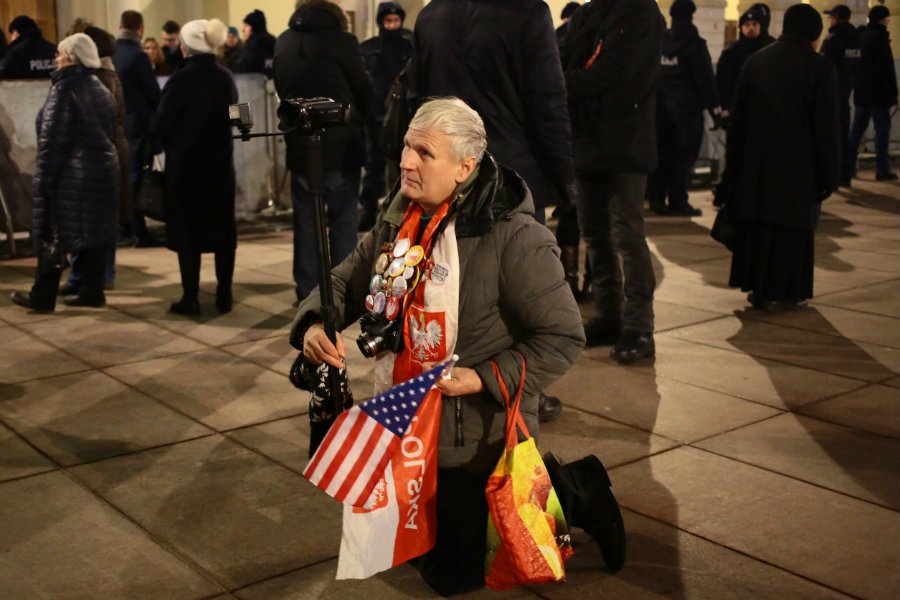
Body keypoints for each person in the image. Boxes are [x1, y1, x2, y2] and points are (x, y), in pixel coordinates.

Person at [291, 97, 622, 595]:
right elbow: (343, 281)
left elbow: (562, 336)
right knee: (433, 566)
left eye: (424, 153)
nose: (406, 161)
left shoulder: (515, 236)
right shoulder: (399, 220)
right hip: (406, 420)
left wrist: (483, 378)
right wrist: (317, 323)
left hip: (473, 438)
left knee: (460, 575)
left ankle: (581, 490)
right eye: (407, 146)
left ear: (465, 168)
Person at [415, 0, 581, 420]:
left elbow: (419, 100)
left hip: (446, 172)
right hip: (509, 176)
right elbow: (547, 102)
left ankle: (442, 384)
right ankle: (516, 391)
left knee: (448, 286)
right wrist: (566, 179)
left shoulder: (432, 14)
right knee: (522, 298)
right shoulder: (527, 12)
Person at [562, 0, 665, 363]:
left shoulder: (640, 11)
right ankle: (609, 315)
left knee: (627, 234)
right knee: (594, 233)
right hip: (588, 141)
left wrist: (565, 84)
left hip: (626, 141)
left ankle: (639, 327)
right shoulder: (590, 12)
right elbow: (564, 55)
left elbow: (619, 71)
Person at [726, 4, 840, 311]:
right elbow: (827, 130)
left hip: (756, 166)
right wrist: (830, 175)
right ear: (814, 33)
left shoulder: (756, 61)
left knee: (760, 232)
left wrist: (733, 172)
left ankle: (760, 289)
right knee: (791, 236)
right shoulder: (820, 68)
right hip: (799, 170)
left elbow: (737, 121)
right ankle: (786, 291)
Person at [10, 33, 118, 312]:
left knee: (52, 233)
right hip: (103, 171)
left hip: (72, 175)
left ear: (71, 58)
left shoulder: (64, 90)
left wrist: (43, 179)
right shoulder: (101, 88)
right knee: (94, 233)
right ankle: (92, 292)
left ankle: (42, 297)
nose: (55, 58)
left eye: (59, 54)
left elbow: (53, 141)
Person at [273, 0, 371, 303]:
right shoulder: (343, 41)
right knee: (343, 221)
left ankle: (308, 293)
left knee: (305, 223)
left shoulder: (284, 42)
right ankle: (342, 293)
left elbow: (281, 89)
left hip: (301, 144)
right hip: (341, 146)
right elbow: (363, 89)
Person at [151, 19, 237, 317]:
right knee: (223, 233)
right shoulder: (225, 77)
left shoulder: (180, 79)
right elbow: (233, 116)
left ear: (186, 47)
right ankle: (224, 294)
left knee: (188, 234)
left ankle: (191, 297)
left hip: (186, 169)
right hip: (219, 167)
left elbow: (162, 124)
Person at [61, 26, 133, 299]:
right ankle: (94, 275)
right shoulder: (106, 74)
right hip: (114, 150)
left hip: (104, 153)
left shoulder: (97, 78)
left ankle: (97, 275)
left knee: (97, 220)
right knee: (100, 219)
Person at [647, 0, 721, 217]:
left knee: (660, 156)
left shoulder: (660, 42)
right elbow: (705, 80)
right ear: (691, 16)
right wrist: (715, 111)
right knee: (682, 159)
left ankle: (656, 199)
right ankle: (678, 202)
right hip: (686, 113)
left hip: (659, 111)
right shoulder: (695, 44)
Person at [358, 2, 413, 231]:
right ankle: (369, 211)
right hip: (376, 115)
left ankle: (403, 213)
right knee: (374, 167)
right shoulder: (369, 48)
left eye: (395, 21)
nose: (392, 25)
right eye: (388, 21)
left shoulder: (410, 45)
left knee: (405, 165)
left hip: (403, 116)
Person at [113, 10, 162, 247]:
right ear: (140, 29)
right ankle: (138, 229)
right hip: (137, 125)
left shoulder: (111, 54)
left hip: (117, 122)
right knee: (136, 176)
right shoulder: (138, 56)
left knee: (123, 175)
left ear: (120, 26)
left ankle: (124, 224)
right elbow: (153, 93)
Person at [848, 5, 898, 182]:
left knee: (856, 131)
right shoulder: (880, 39)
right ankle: (882, 169)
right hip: (879, 94)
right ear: (881, 19)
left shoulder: (862, 37)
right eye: (886, 18)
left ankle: (848, 167)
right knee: (882, 130)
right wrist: (892, 93)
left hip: (862, 92)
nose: (888, 21)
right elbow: (886, 70)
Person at [820, 5, 860, 187]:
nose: (830, 21)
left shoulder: (834, 38)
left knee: (831, 135)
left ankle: (833, 174)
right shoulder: (855, 37)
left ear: (836, 18)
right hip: (847, 89)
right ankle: (846, 173)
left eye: (831, 17)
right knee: (844, 133)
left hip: (832, 91)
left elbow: (824, 63)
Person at [716, 3, 775, 116]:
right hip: (739, 107)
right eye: (747, 25)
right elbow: (724, 82)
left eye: (754, 24)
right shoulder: (731, 53)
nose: (751, 28)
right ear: (741, 28)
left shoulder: (769, 49)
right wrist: (725, 106)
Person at [236, 9, 275, 76]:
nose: (243, 29)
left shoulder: (257, 46)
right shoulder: (271, 42)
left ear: (255, 27)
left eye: (246, 26)